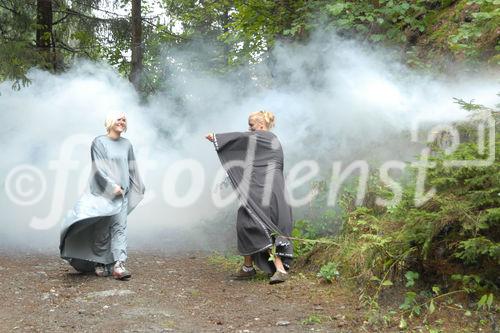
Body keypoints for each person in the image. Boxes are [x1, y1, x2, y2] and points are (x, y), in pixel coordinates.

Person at [206, 110, 293, 284]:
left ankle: (280, 269)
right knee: (247, 221)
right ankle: (248, 267)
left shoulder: (266, 137)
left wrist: (216, 137)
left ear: (261, 125)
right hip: (265, 187)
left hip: (266, 189)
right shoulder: (266, 141)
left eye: (251, 125)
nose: (249, 128)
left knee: (264, 224)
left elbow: (241, 138)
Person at [60, 111, 145, 280]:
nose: (121, 122)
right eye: (118, 119)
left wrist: (137, 186)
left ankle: (119, 264)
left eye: (124, 120)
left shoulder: (127, 144)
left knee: (120, 228)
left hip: (122, 194)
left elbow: (132, 168)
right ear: (110, 122)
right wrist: (111, 186)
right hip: (102, 194)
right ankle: (100, 262)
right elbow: (98, 168)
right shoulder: (99, 142)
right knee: (102, 230)